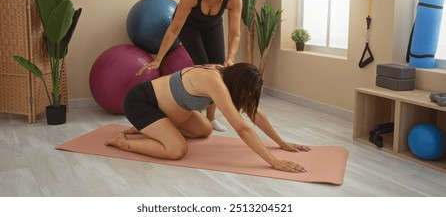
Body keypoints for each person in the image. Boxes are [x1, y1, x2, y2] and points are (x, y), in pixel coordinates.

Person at [107, 63, 311, 173]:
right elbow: (242, 128)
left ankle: (153, 129)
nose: (247, 98)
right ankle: (122, 142)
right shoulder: (214, 81)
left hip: (167, 111)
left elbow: (255, 113)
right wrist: (273, 161)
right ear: (238, 85)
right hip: (142, 103)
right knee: (177, 149)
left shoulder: (228, 75)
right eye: (247, 93)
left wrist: (281, 143)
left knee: (205, 129)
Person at [137, 0, 242, 132]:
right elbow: (175, 27)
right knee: (203, 67)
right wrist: (158, 60)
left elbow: (235, 34)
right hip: (188, 25)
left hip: (212, 25)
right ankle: (193, 114)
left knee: (217, 68)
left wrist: (231, 58)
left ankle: (211, 117)